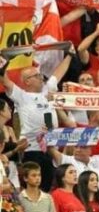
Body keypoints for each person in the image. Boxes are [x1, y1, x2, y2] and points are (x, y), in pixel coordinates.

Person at [0, 45, 74, 192]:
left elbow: (58, 73)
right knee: (33, 189)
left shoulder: (47, 91)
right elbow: (4, 78)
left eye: (40, 75)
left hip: (50, 148)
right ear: (27, 81)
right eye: (37, 76)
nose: (41, 78)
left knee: (46, 190)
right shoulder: (21, 95)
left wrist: (70, 54)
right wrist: (6, 60)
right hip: (31, 150)